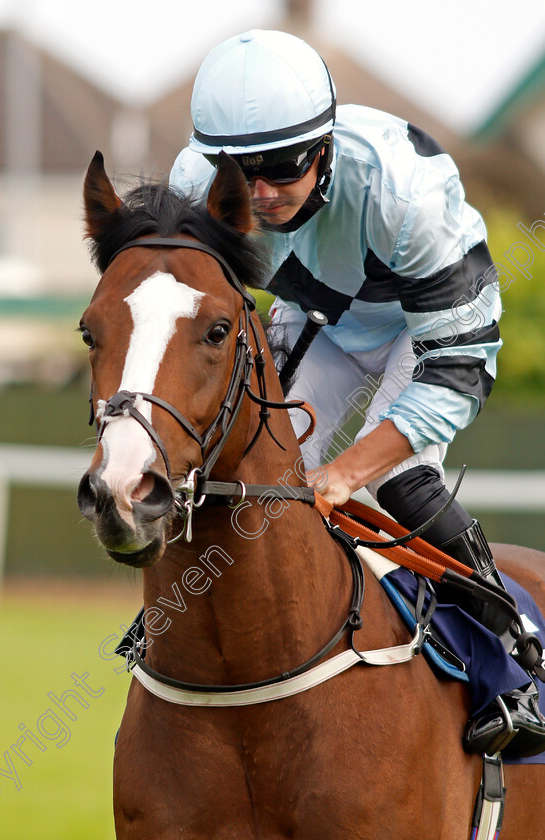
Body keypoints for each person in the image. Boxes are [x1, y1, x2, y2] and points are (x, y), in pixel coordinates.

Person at [168, 29, 545, 757]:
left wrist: (346, 471)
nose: (263, 195)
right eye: (239, 176)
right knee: (249, 473)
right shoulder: (194, 191)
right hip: (324, 322)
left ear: (325, 146)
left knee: (394, 481)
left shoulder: (407, 192)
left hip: (426, 332)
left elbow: (456, 365)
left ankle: (518, 656)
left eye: (282, 168)